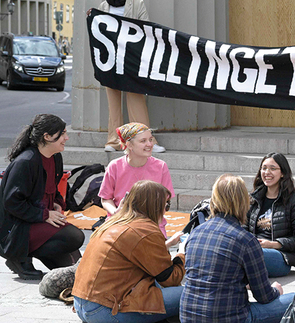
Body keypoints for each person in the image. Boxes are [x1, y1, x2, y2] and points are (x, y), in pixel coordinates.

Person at [181, 174, 294, 323]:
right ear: (243, 202)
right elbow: (264, 296)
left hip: (188, 316)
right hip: (230, 318)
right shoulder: (246, 240)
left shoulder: (195, 233)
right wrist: (276, 291)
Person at [72, 180, 184, 323]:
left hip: (83, 305)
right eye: (166, 206)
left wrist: (169, 244)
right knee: (194, 293)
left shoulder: (115, 222)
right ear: (155, 206)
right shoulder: (146, 230)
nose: (166, 211)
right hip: (106, 311)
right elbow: (171, 278)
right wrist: (182, 253)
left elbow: (137, 254)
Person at [0, 114, 83, 280]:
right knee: (75, 236)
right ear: (47, 137)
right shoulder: (26, 162)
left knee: (77, 271)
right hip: (18, 228)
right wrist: (45, 215)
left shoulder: (55, 157)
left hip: (39, 220)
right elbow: (12, 203)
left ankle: (26, 256)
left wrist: (57, 203)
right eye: (62, 134)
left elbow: (54, 188)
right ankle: (19, 256)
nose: (66, 138)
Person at [98, 0, 165, 154]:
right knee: (113, 100)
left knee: (136, 98)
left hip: (132, 57)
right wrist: (92, 17)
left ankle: (147, 141)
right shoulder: (103, 6)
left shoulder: (136, 3)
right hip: (111, 58)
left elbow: (146, 27)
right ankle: (114, 141)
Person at [98, 122, 179, 244]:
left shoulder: (160, 166)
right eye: (143, 141)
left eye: (150, 139)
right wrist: (116, 212)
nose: (150, 144)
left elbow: (165, 201)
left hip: (151, 222)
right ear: (129, 145)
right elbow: (105, 199)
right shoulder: (114, 166)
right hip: (120, 221)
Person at [246, 152, 295, 277]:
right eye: (264, 168)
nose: (267, 172)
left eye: (273, 168)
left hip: (280, 256)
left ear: (283, 173)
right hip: (252, 249)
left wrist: (273, 244)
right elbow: (243, 228)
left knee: (253, 255)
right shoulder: (254, 198)